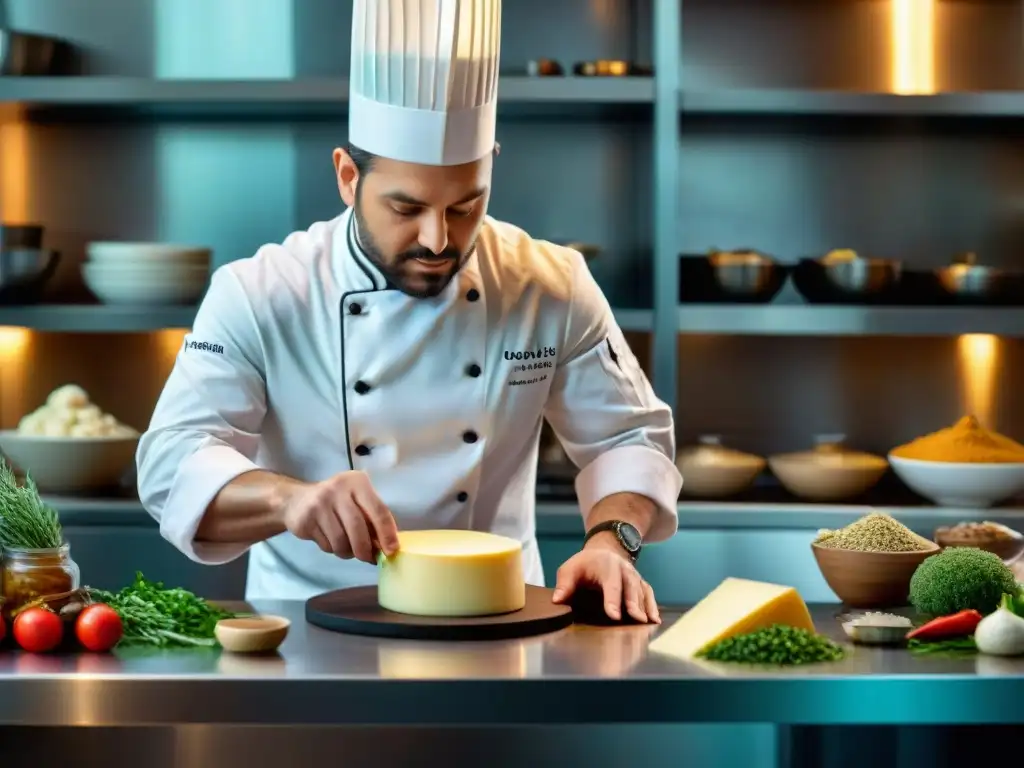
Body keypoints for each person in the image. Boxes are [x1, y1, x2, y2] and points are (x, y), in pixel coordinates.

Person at [136, 0, 682, 624]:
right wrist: (290, 500)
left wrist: (614, 543)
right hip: (303, 626)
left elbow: (628, 438)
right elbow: (170, 463)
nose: (437, 239)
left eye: (464, 205)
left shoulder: (549, 284)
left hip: (501, 624)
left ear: (491, 167)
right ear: (347, 177)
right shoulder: (262, 292)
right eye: (405, 208)